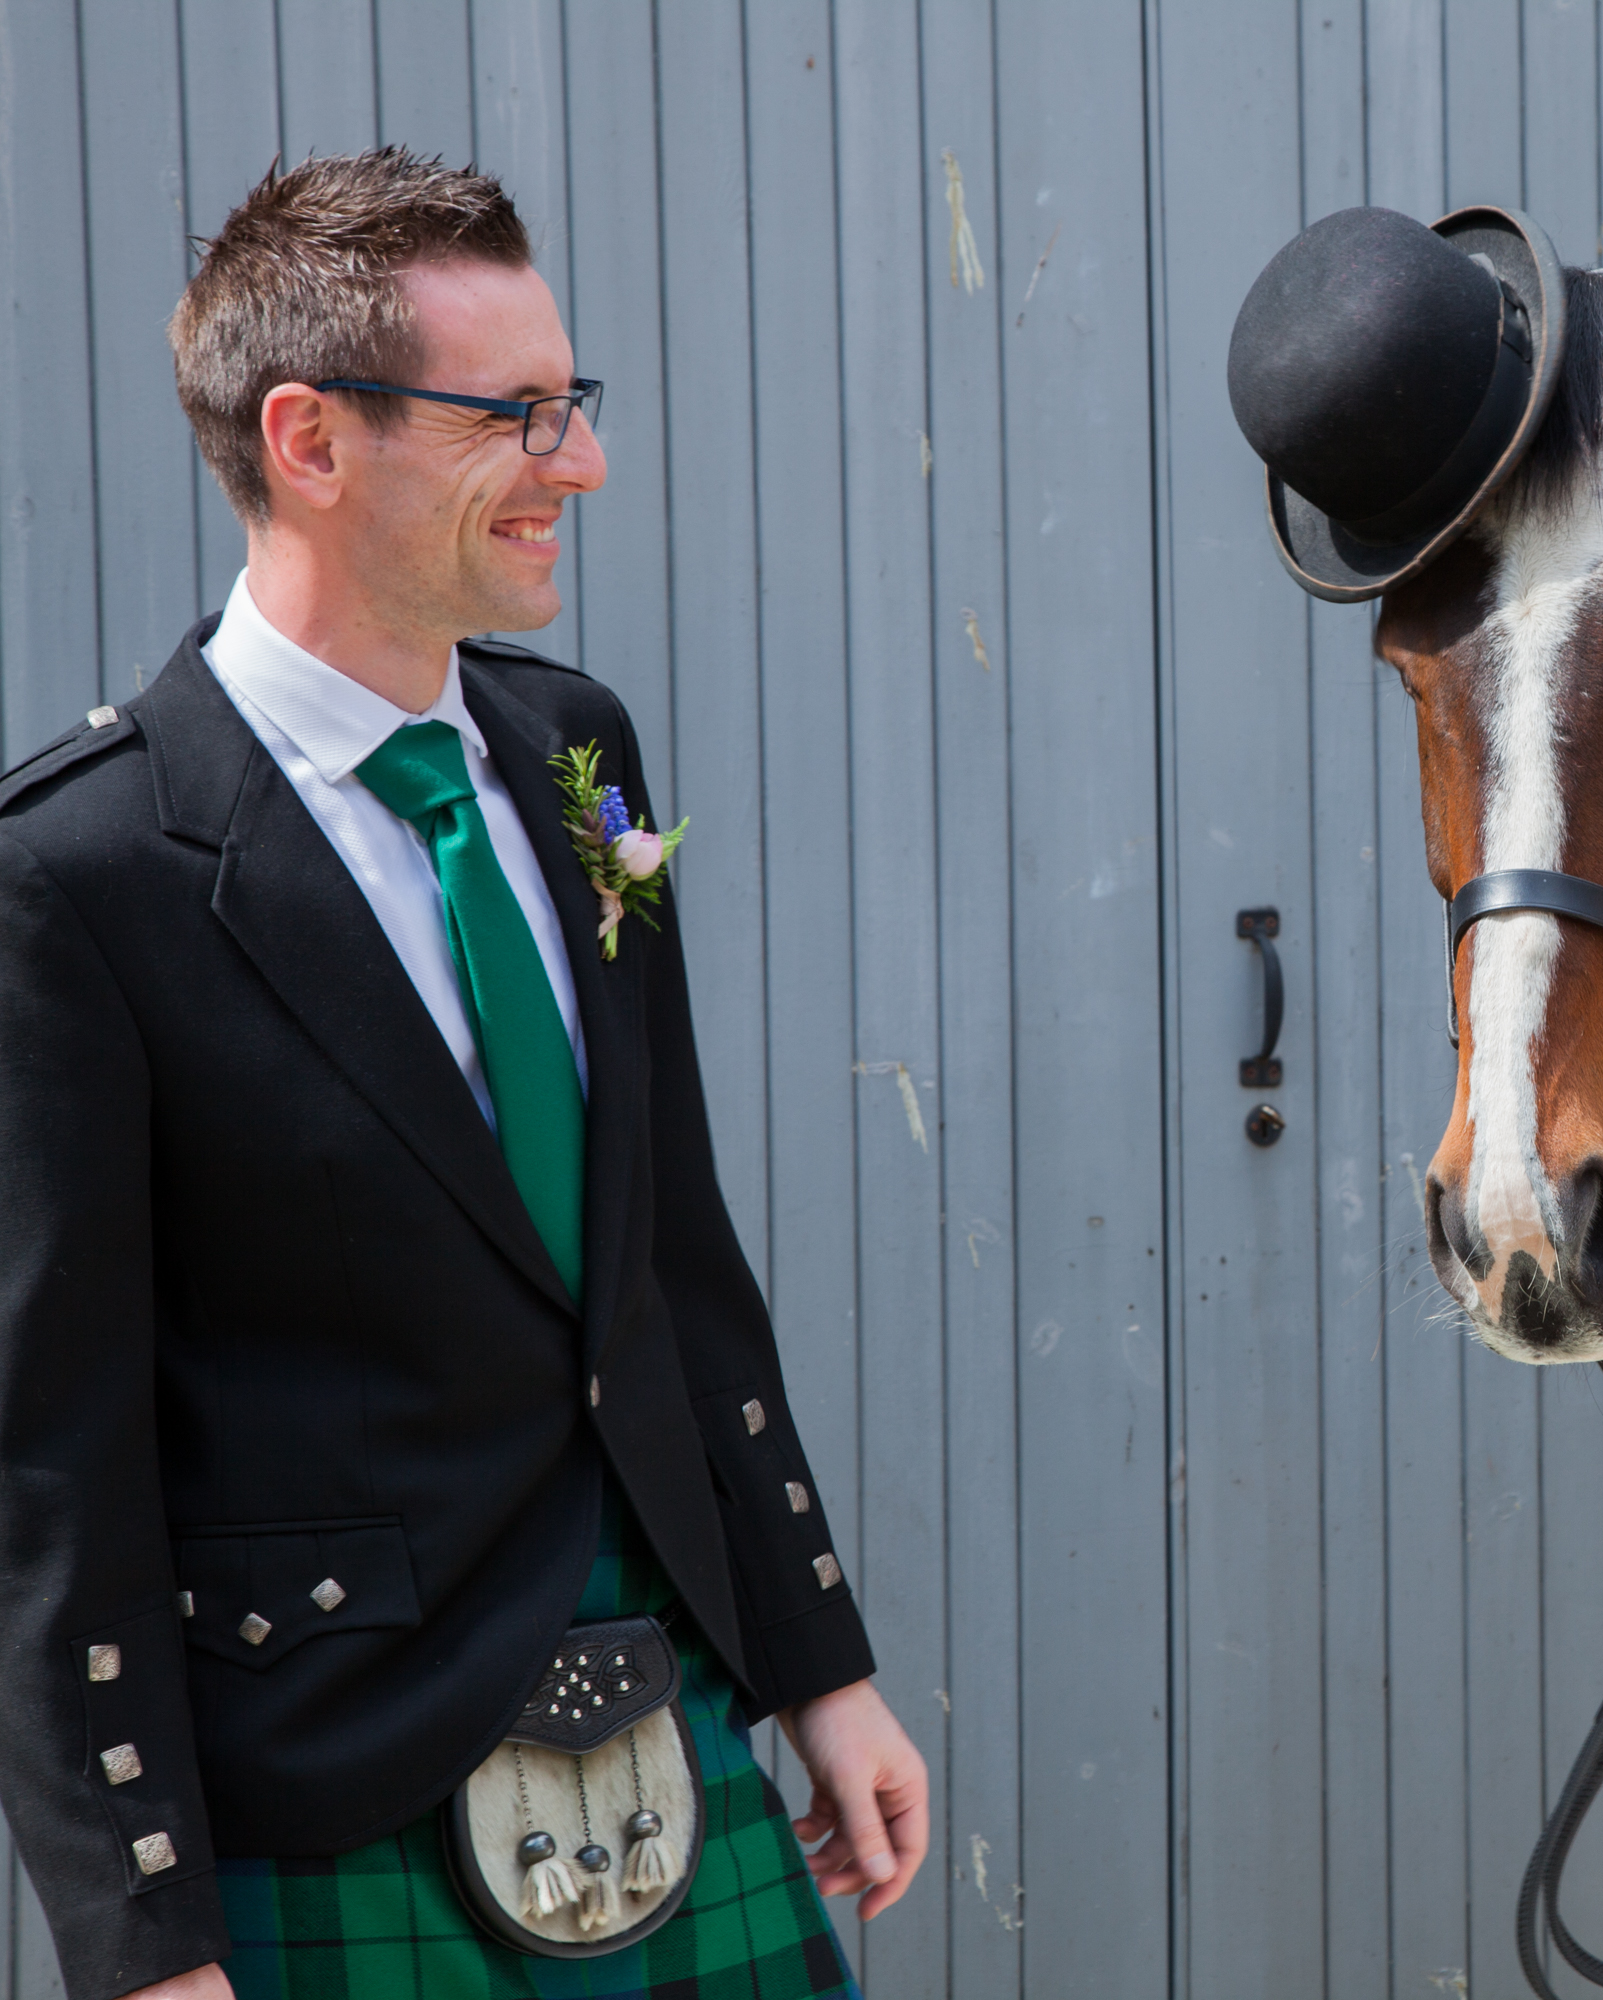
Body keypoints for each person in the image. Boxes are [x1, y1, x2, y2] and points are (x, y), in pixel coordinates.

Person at [0, 150, 927, 2000]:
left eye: (572, 403)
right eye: (516, 415)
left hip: (664, 1710)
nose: (582, 463)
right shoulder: (79, 873)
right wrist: (141, 1931)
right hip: (330, 1781)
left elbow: (673, 1262)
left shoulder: (575, 752)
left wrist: (820, 1659)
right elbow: (52, 1466)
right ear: (309, 441)